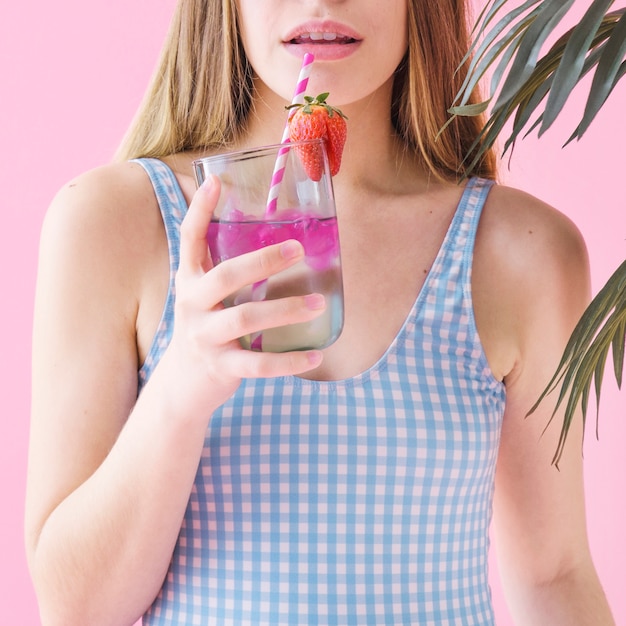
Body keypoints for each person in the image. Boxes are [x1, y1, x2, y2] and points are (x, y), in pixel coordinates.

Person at [25, 1, 615, 624]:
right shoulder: (110, 225)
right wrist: (181, 388)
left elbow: (555, 576)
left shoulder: (523, 256)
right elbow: (76, 609)